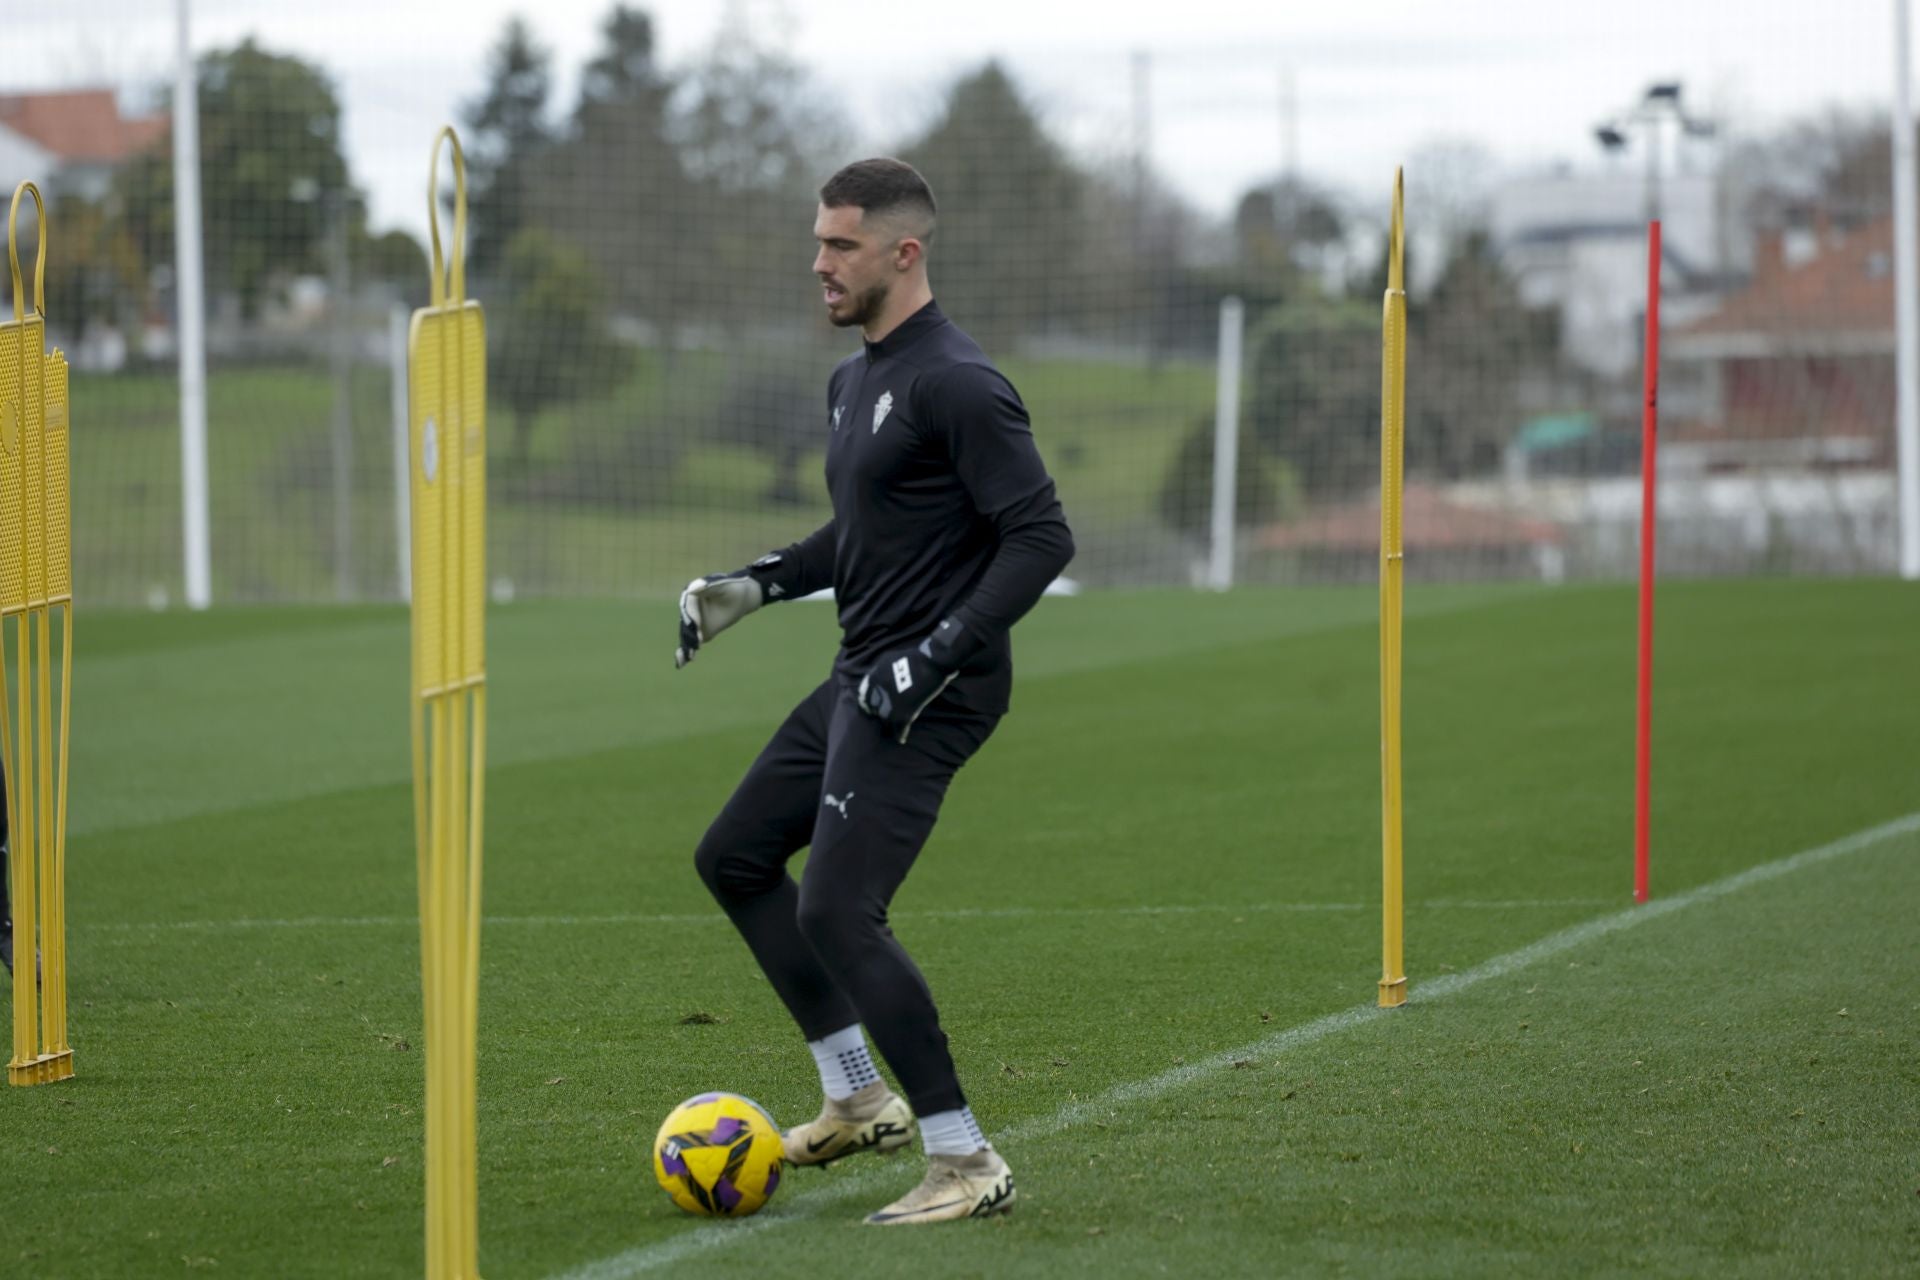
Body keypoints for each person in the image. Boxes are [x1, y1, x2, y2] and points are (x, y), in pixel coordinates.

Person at [676, 157, 1074, 1225]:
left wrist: (936, 652)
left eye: (840, 244)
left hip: (930, 689)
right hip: (864, 673)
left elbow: (1041, 535)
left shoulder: (957, 379)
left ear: (905, 251)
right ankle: (856, 1093)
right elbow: (861, 536)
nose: (819, 263)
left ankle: (965, 1158)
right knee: (736, 855)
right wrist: (755, 584)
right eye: (818, 241)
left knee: (840, 908)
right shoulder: (853, 381)